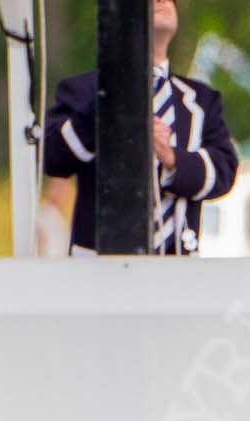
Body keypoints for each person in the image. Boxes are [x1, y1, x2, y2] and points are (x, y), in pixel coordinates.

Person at [42, 0, 238, 255]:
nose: (162, 1)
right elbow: (54, 158)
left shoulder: (201, 101)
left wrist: (171, 157)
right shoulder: (83, 91)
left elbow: (224, 172)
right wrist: (108, 95)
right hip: (98, 268)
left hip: (176, 268)